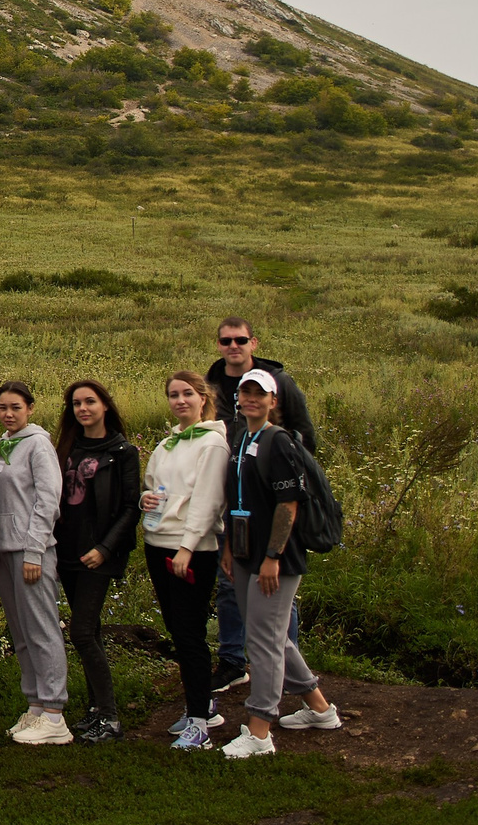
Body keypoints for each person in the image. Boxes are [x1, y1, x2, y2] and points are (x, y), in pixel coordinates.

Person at [220, 371, 342, 759]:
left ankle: (259, 731)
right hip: (243, 551)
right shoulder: (241, 438)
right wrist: (228, 548)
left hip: (275, 558)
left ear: (274, 401)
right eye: (246, 392)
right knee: (271, 635)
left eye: (261, 393)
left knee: (263, 641)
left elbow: (288, 505)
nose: (251, 399)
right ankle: (321, 709)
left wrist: (273, 558)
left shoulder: (279, 441)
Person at [204, 317, 316, 690]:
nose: (233, 346)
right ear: (218, 345)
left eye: (240, 340)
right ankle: (234, 660)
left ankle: (278, 663)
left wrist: (276, 462)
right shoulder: (214, 383)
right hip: (232, 502)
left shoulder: (278, 383)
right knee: (231, 583)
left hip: (270, 501)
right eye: (226, 341)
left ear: (254, 343)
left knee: (276, 587)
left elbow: (306, 436)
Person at [141, 370, 231, 750]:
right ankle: (201, 705)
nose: (180, 401)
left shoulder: (212, 444)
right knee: (177, 630)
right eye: (173, 395)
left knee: (191, 633)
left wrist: (188, 547)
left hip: (189, 550)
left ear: (202, 398)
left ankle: (200, 724)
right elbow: (153, 486)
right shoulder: (167, 444)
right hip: (157, 540)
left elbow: (209, 502)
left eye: (187, 394)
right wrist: (145, 502)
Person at [53, 379, 141, 746]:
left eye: (90, 401)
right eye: (76, 403)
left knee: (82, 632)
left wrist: (105, 548)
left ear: (105, 405)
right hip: (68, 552)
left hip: (97, 555)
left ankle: (110, 717)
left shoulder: (122, 451)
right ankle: (95, 710)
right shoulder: (67, 447)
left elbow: (130, 507)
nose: (83, 409)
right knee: (93, 632)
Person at [0, 380, 70, 747]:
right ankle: (35, 705)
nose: (8, 414)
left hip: (30, 552)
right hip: (4, 551)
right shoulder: (2, 447)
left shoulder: (37, 445)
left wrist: (35, 550)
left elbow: (49, 499)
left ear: (30, 408)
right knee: (20, 632)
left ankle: (55, 712)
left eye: (15, 407)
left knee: (41, 628)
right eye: (3, 407)